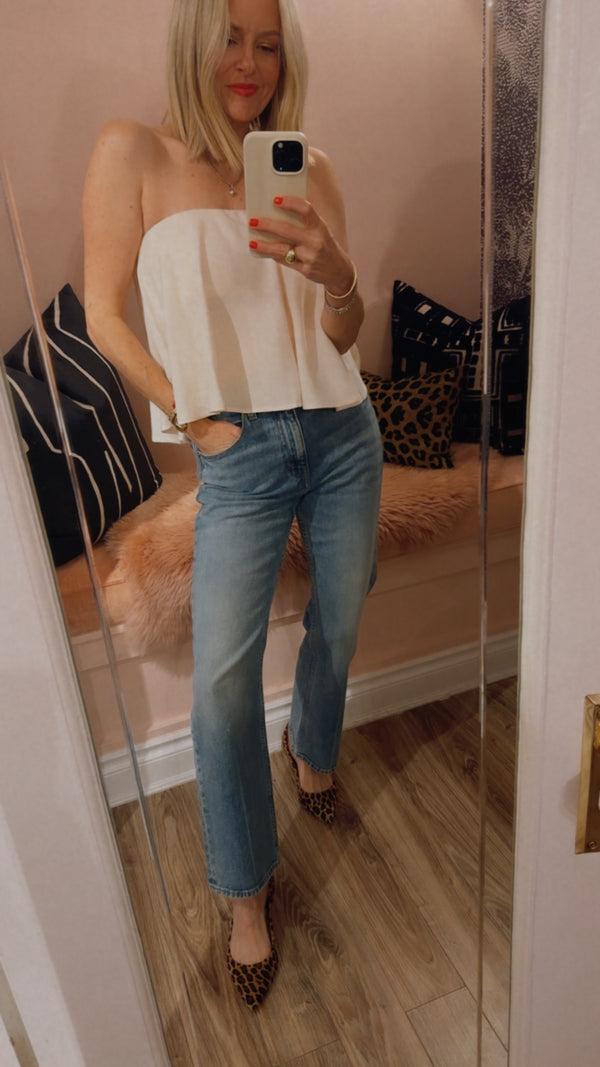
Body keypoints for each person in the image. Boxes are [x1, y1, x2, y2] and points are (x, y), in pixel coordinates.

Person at [83, 0, 382, 1009]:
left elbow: (341, 334)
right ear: (193, 38)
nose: (250, 62)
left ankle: (313, 750)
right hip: (239, 452)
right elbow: (103, 314)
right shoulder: (132, 151)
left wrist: (340, 278)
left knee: (343, 612)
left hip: (341, 430)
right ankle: (246, 893)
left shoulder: (308, 165)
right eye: (231, 37)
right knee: (221, 681)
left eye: (269, 44)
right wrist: (194, 419)